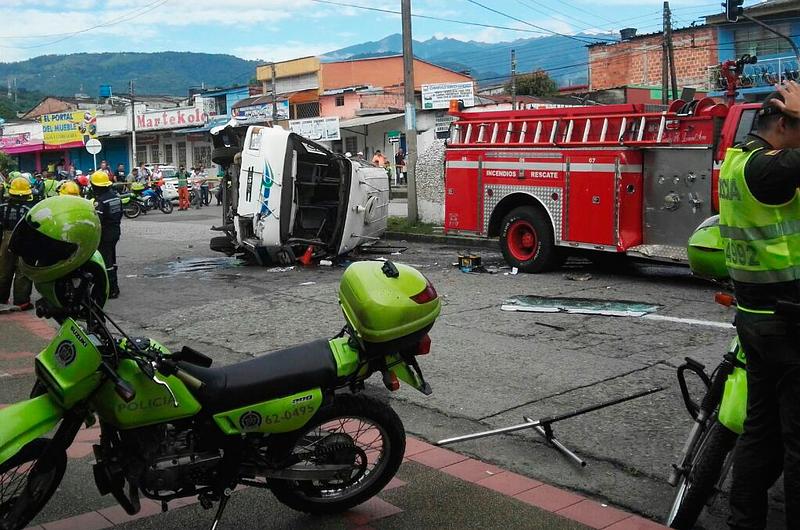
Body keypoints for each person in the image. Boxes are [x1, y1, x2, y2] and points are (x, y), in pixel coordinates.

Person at [719, 82, 800, 530]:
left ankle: (742, 523)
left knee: (760, 431)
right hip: (787, 321)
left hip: (755, 319)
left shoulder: (737, 160)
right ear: (784, 124)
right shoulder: (770, 170)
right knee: (796, 442)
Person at [0, 177, 34, 309]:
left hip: (5, 240)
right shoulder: (29, 210)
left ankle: (1, 298)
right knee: (22, 271)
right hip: (23, 242)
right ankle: (22, 301)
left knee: (3, 270)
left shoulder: (1, 207)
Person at [90, 171, 122, 299]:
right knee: (112, 259)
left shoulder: (101, 201)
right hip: (115, 231)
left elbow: (98, 220)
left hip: (105, 234)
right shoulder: (115, 197)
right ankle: (114, 285)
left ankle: (112, 289)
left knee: (106, 262)